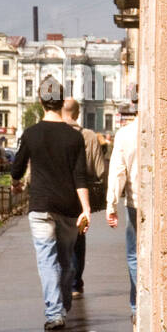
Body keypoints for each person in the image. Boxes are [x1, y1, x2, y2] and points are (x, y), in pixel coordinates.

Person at [11, 76, 91, 331]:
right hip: (69, 207)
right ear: (61, 101)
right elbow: (80, 176)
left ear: (40, 101)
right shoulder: (74, 137)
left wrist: (16, 181)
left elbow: (16, 168)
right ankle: (62, 304)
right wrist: (86, 208)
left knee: (47, 259)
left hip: (41, 205)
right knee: (66, 258)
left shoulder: (31, 134)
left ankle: (55, 313)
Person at [61, 96, 106, 298]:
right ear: (78, 114)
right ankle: (75, 284)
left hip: (56, 193)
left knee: (57, 238)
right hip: (81, 196)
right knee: (78, 238)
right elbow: (99, 170)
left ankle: (61, 281)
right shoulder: (88, 136)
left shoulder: (52, 134)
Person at [106, 98, 139, 320]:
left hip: (136, 203)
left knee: (134, 255)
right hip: (163, 204)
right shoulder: (161, 128)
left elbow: (118, 172)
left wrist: (111, 205)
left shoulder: (125, 134)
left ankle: (138, 305)